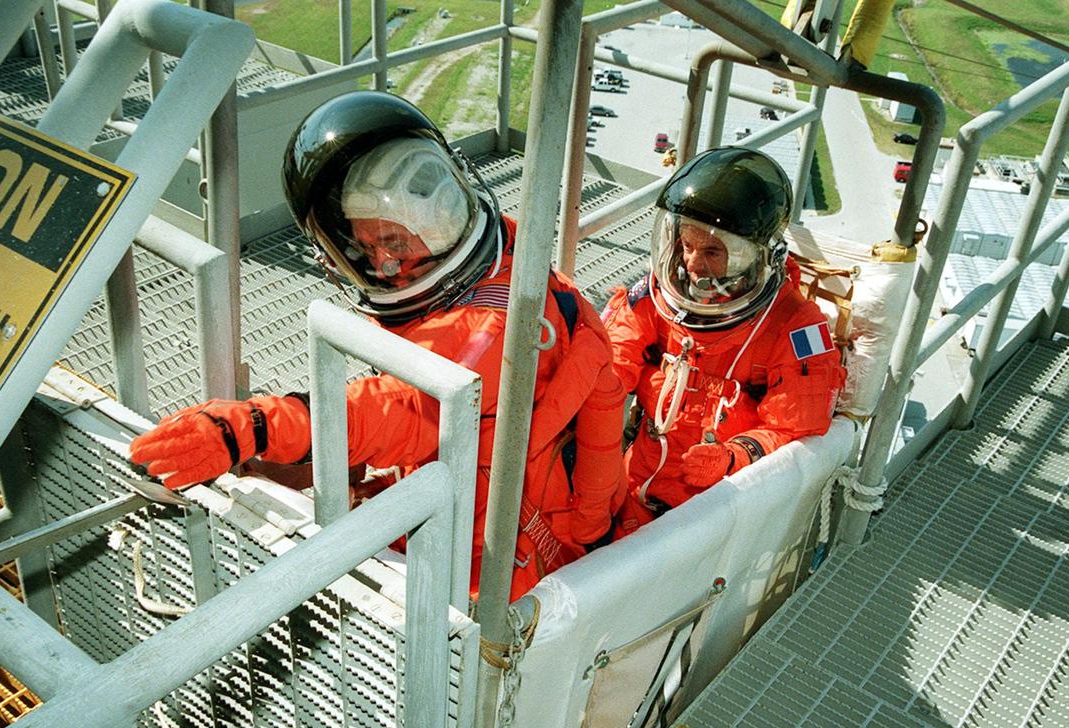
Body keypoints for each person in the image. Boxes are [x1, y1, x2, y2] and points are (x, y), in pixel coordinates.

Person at [130, 91, 626, 600]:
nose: (383, 265)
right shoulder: (513, 253)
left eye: (394, 242)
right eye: (366, 248)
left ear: (438, 221)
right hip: (525, 493)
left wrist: (250, 428)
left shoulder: (486, 335)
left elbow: (398, 409)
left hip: (505, 560)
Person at [602, 147, 845, 532]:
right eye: (687, 245)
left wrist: (734, 456)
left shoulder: (795, 327)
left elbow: (797, 431)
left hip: (714, 510)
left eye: (713, 251)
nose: (694, 264)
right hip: (632, 484)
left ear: (754, 255)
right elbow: (612, 358)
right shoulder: (658, 297)